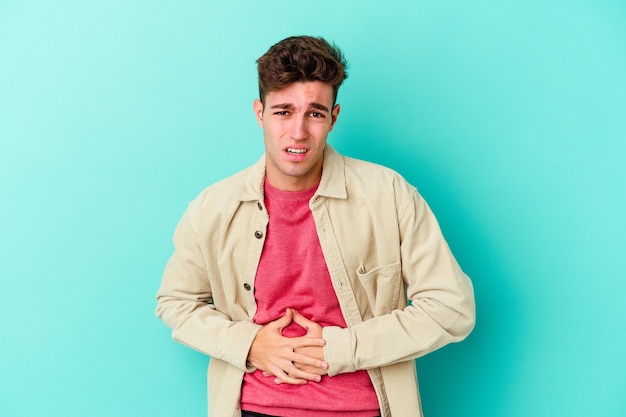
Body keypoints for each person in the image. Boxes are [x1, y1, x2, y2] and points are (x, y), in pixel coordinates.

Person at [156, 35, 475, 417]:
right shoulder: (214, 207)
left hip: (363, 410)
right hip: (255, 408)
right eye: (283, 112)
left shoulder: (388, 194)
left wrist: (342, 348)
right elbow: (175, 302)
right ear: (259, 113)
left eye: (315, 113)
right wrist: (250, 344)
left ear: (333, 117)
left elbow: (451, 308)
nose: (298, 132)